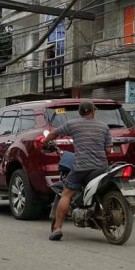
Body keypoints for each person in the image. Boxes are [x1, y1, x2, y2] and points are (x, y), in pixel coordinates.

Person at [42, 101, 112, 241]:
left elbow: (54, 133)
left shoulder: (73, 124)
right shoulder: (104, 126)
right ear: (92, 111)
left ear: (80, 112)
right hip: (101, 168)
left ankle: (57, 228)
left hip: (81, 167)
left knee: (66, 194)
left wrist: (44, 141)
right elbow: (108, 150)